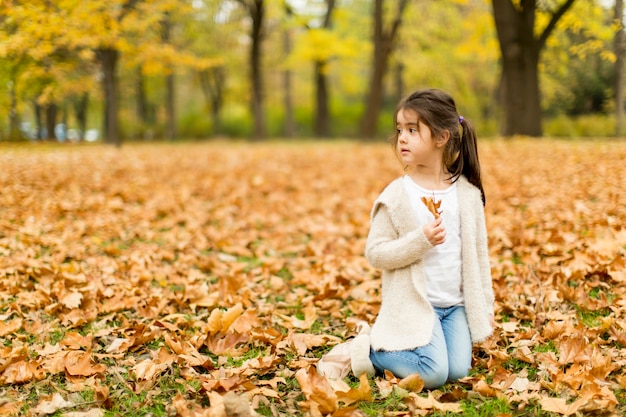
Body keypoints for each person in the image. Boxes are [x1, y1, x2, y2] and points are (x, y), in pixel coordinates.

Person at [349, 88, 494, 389]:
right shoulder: (398, 195)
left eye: (413, 130)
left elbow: (479, 257)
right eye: (400, 129)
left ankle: (428, 344)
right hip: (415, 305)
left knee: (458, 371)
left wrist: (483, 305)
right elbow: (376, 254)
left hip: (454, 307)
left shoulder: (467, 194)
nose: (402, 137)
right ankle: (372, 350)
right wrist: (420, 241)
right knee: (433, 373)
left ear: (441, 138)